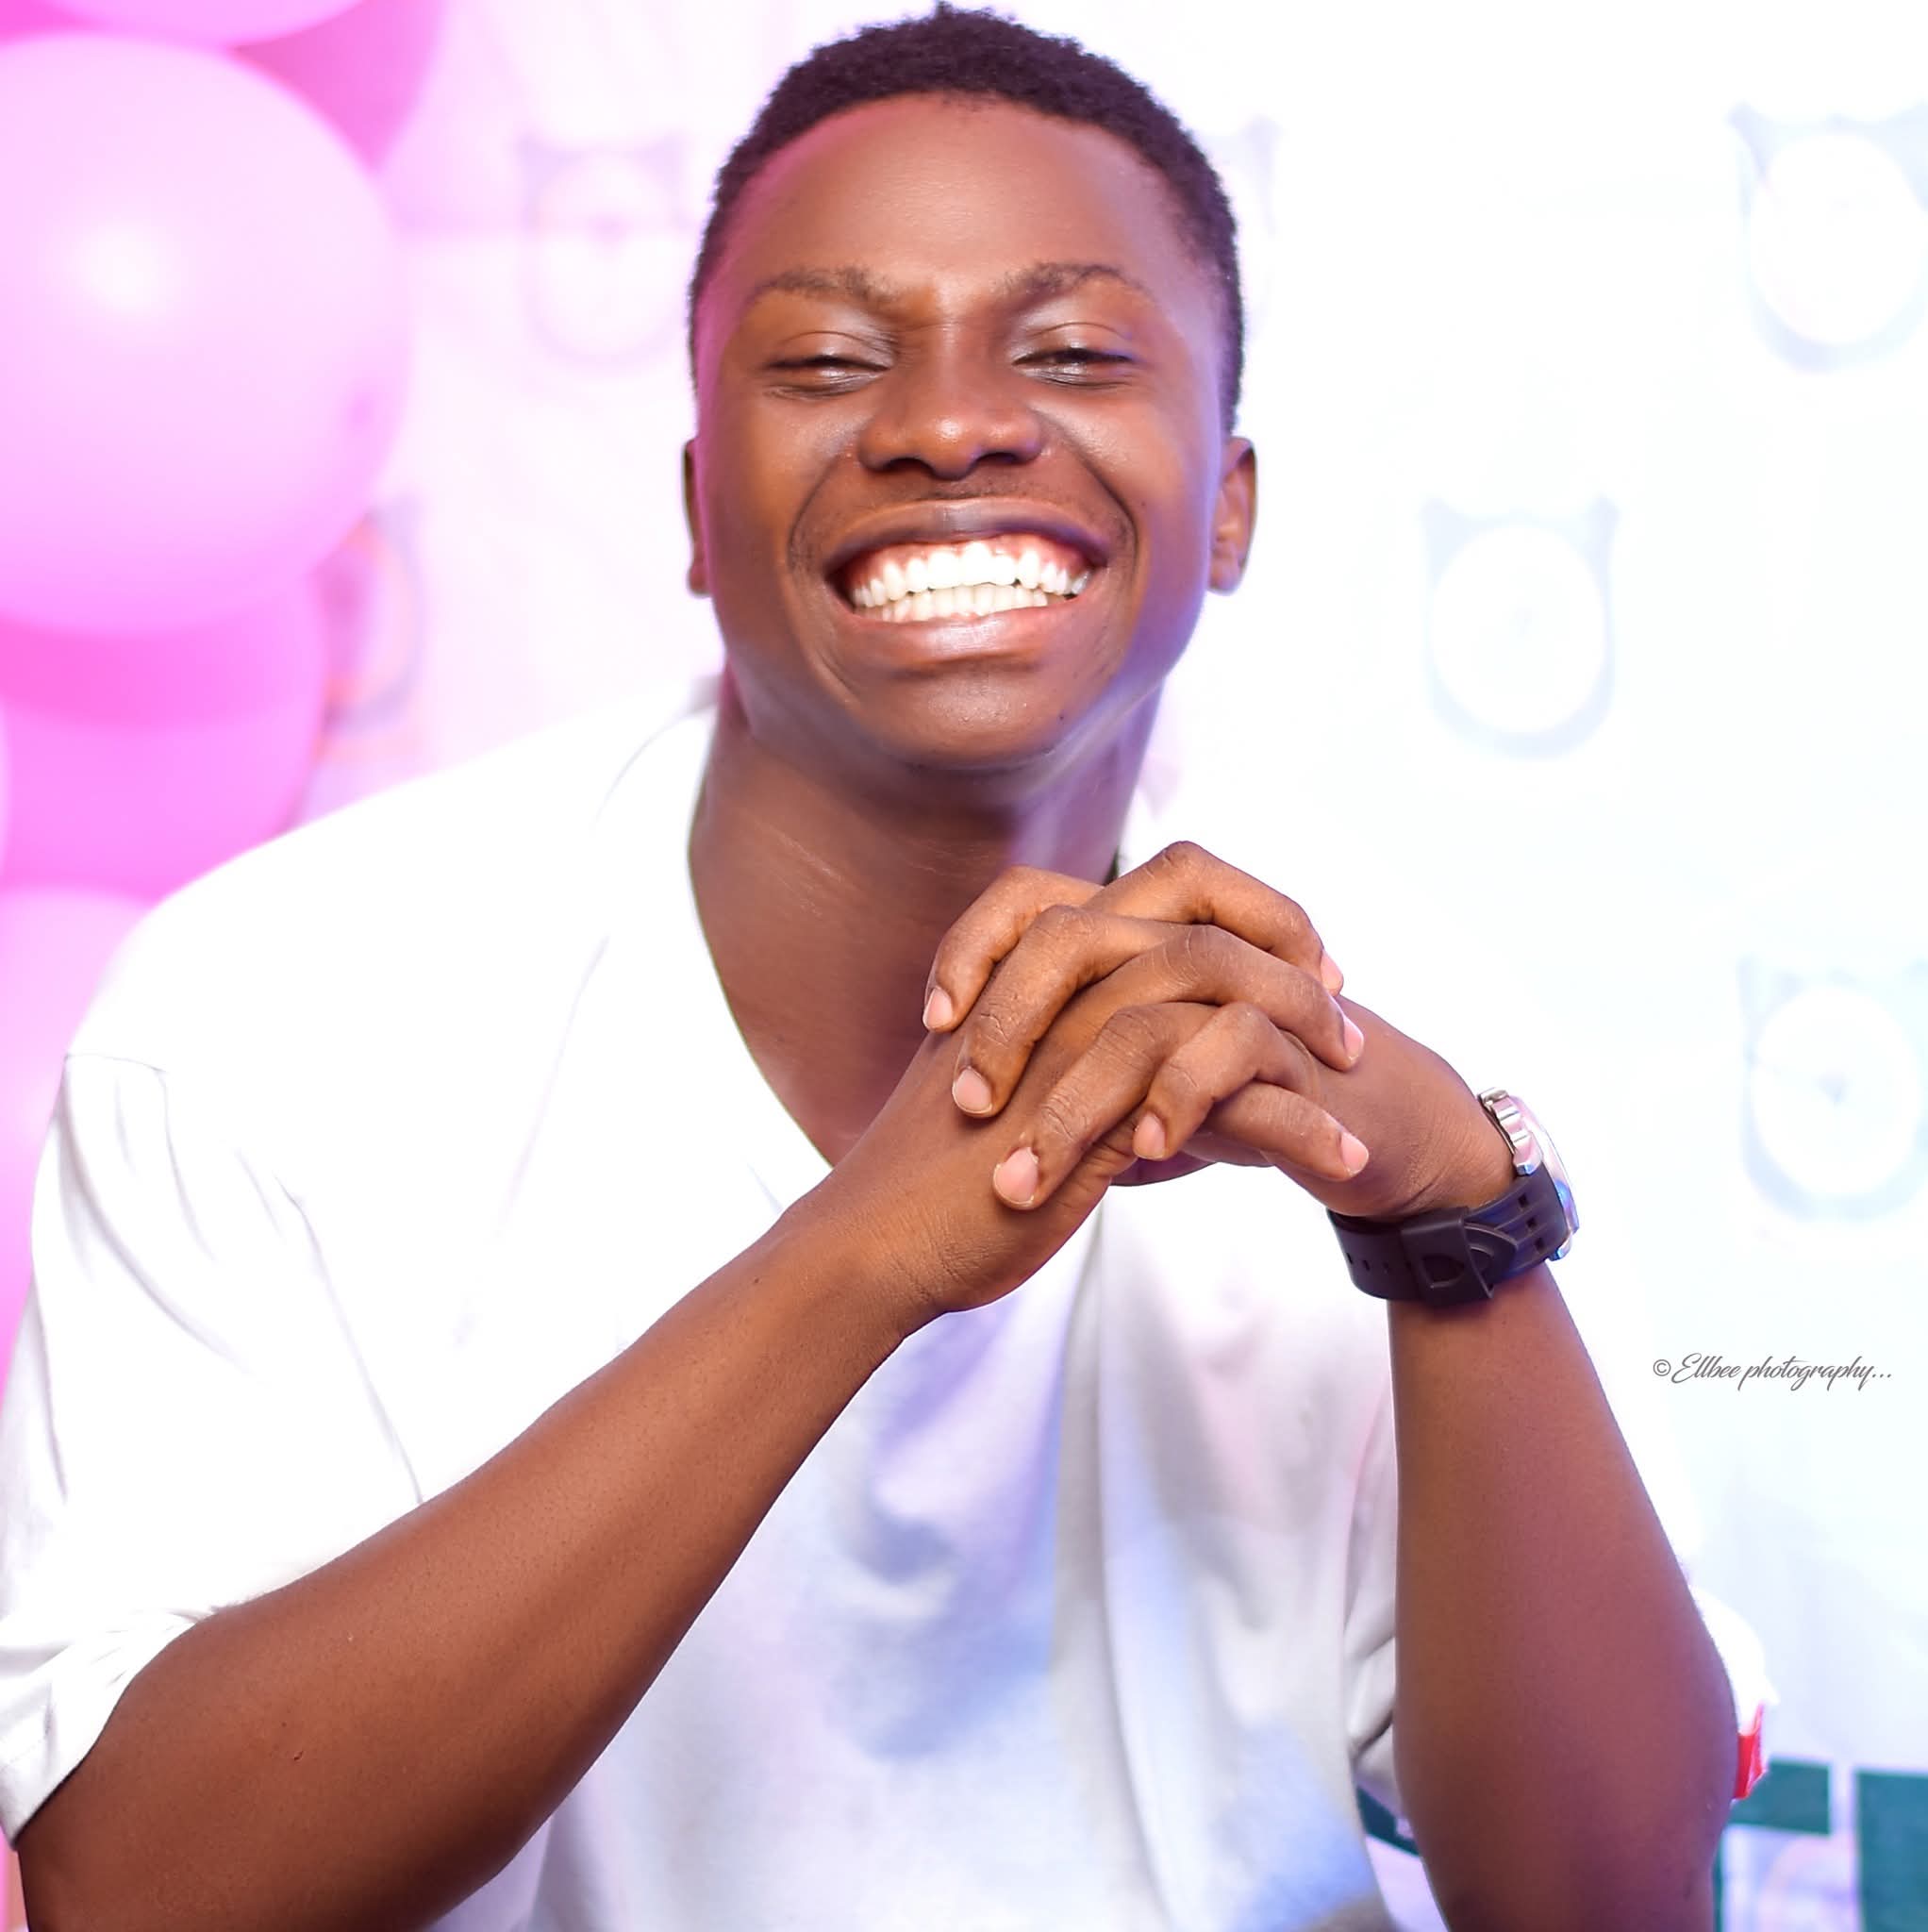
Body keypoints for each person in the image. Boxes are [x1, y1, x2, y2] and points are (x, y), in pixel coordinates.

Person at [1, 9, 1758, 1930]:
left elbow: (1608, 1898)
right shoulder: (268, 1011)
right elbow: (140, 1889)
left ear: (1231, 503)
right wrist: (864, 1250)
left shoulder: (1387, 1043)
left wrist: (1453, 1233)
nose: (947, 424)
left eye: (1072, 352)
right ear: (697, 512)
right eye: (832, 361)